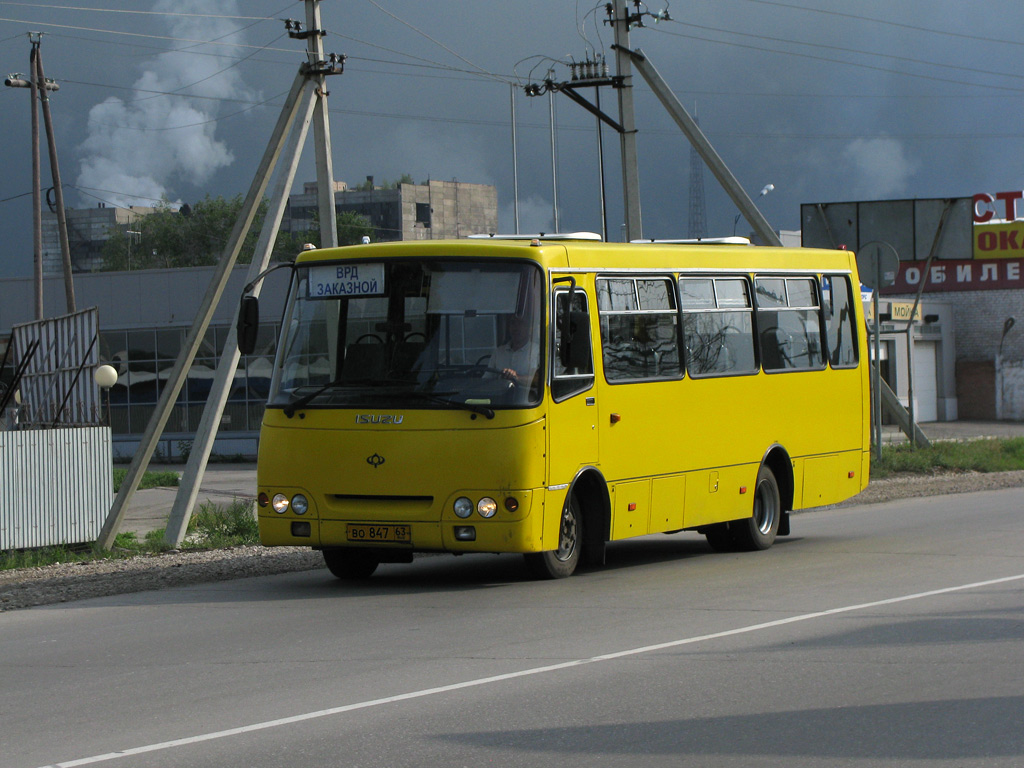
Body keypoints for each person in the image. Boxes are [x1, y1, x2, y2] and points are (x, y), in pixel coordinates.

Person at [490, 310, 540, 395]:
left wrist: (516, 377)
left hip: (528, 400)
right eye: (513, 323)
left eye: (520, 323)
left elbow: (539, 380)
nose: (516, 328)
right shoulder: (498, 352)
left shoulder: (537, 351)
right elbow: (487, 379)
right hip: (499, 400)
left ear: (529, 328)